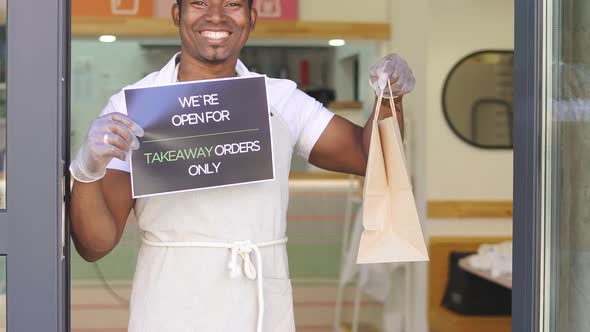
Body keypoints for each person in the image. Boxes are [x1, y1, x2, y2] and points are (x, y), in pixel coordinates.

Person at [69, 0, 415, 331]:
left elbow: (372, 159)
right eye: (200, 3)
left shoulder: (279, 99)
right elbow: (95, 244)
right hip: (170, 304)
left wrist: (390, 98)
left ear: (251, 16)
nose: (217, 16)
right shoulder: (133, 107)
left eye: (232, 4)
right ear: (177, 13)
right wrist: (86, 170)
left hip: (261, 303)